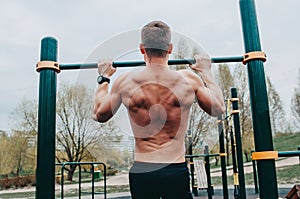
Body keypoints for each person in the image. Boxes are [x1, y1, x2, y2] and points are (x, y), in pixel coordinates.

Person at [93, 21, 225, 199]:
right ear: (169, 48)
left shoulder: (126, 81)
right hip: (175, 170)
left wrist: (104, 78)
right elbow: (218, 108)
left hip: (143, 171)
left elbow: (99, 114)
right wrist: (206, 72)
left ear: (142, 49)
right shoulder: (188, 80)